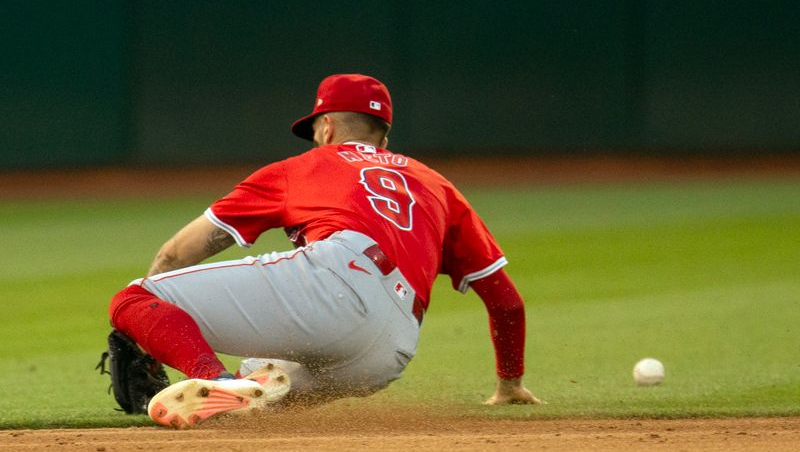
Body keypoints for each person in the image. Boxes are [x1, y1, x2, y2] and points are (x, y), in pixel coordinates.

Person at [109, 73, 542, 428]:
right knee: (259, 385)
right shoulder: (436, 184)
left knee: (134, 299)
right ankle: (233, 386)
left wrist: (145, 332)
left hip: (338, 280)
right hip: (387, 351)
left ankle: (213, 378)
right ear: (384, 138)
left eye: (314, 130)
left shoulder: (306, 166)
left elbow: (177, 253)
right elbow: (507, 302)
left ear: (328, 127)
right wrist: (510, 384)